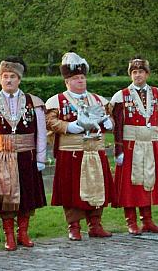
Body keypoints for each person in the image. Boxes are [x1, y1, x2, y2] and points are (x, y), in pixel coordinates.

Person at [0, 57, 47, 251]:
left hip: (26, 156)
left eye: (13, 76)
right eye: (5, 76)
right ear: (0, 79)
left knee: (26, 196)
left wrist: (41, 158)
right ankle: (9, 235)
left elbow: (41, 131)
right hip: (2, 156)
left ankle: (23, 233)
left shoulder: (33, 102)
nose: (9, 80)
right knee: (6, 198)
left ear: (19, 79)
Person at [110, 57, 158, 234]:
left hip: (150, 143)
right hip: (130, 144)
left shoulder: (157, 94)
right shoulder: (121, 96)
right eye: (134, 72)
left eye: (141, 72)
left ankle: (147, 220)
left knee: (148, 181)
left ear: (147, 74)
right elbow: (118, 126)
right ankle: (131, 221)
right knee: (130, 186)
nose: (137, 75)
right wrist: (118, 149)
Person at [45, 52, 115, 241]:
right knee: (71, 190)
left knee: (98, 186)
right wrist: (68, 126)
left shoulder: (98, 100)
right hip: (71, 151)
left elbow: (110, 118)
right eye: (76, 78)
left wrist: (109, 123)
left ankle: (95, 224)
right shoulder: (57, 101)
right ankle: (74, 226)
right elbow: (49, 122)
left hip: (95, 150)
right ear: (67, 81)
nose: (80, 81)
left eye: (83, 77)